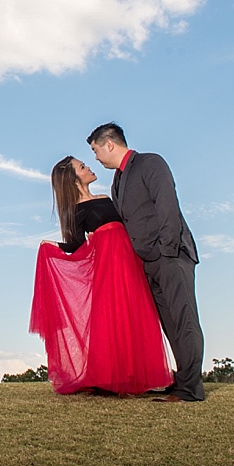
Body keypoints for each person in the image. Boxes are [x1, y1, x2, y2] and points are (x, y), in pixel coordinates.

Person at [29, 156, 173, 397]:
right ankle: (112, 378)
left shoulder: (107, 199)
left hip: (130, 261)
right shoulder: (76, 210)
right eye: (83, 167)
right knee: (113, 318)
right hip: (108, 268)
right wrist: (51, 247)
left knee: (136, 313)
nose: (89, 168)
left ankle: (137, 377)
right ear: (73, 179)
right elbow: (75, 245)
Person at [87, 122, 205, 403]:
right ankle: (181, 383)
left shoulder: (151, 163)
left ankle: (190, 389)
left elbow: (167, 206)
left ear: (109, 144)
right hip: (148, 261)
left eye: (95, 150)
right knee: (170, 323)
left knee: (184, 319)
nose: (95, 157)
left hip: (171, 255)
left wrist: (166, 250)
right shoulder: (118, 180)